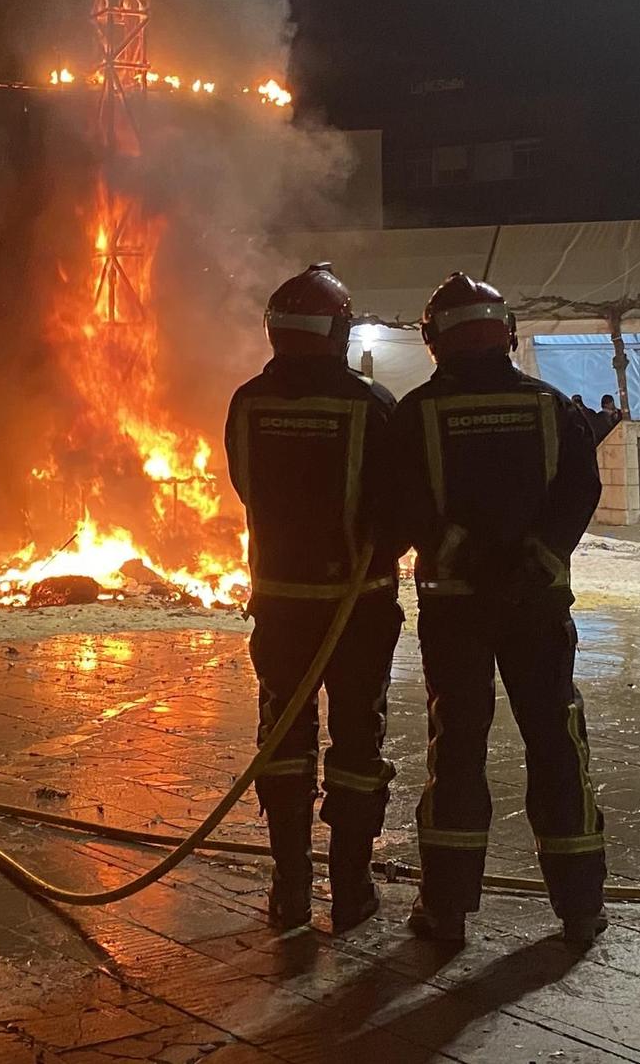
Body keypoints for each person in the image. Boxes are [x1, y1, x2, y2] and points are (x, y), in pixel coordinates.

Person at [388, 274, 606, 950]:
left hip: (456, 609)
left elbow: (402, 503)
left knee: (456, 749)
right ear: (506, 333)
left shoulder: (416, 412)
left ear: (434, 340)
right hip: (537, 608)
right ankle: (578, 907)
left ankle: (446, 909)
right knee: (556, 742)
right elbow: (581, 490)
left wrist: (461, 552)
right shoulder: (552, 407)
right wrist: (534, 560)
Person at [224, 264, 402, 934]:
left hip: (280, 605)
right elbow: (397, 507)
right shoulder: (371, 404)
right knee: (358, 743)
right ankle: (350, 891)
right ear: (338, 329)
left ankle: (290, 890)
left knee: (284, 737)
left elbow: (246, 486)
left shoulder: (247, 402)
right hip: (358, 609)